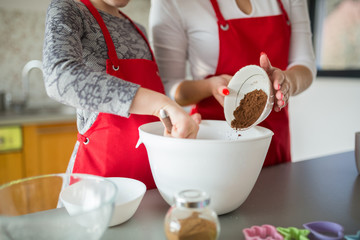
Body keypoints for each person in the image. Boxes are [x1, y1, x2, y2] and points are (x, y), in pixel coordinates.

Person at [42, 0, 199, 189]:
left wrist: (174, 125)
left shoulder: (138, 29)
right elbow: (59, 78)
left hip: (152, 180)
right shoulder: (70, 10)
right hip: (97, 185)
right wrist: (160, 104)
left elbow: (151, 110)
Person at [149, 0, 317, 166]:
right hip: (212, 143)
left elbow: (304, 64)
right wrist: (209, 86)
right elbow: (170, 86)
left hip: (274, 141)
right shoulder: (173, 3)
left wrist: (287, 83)